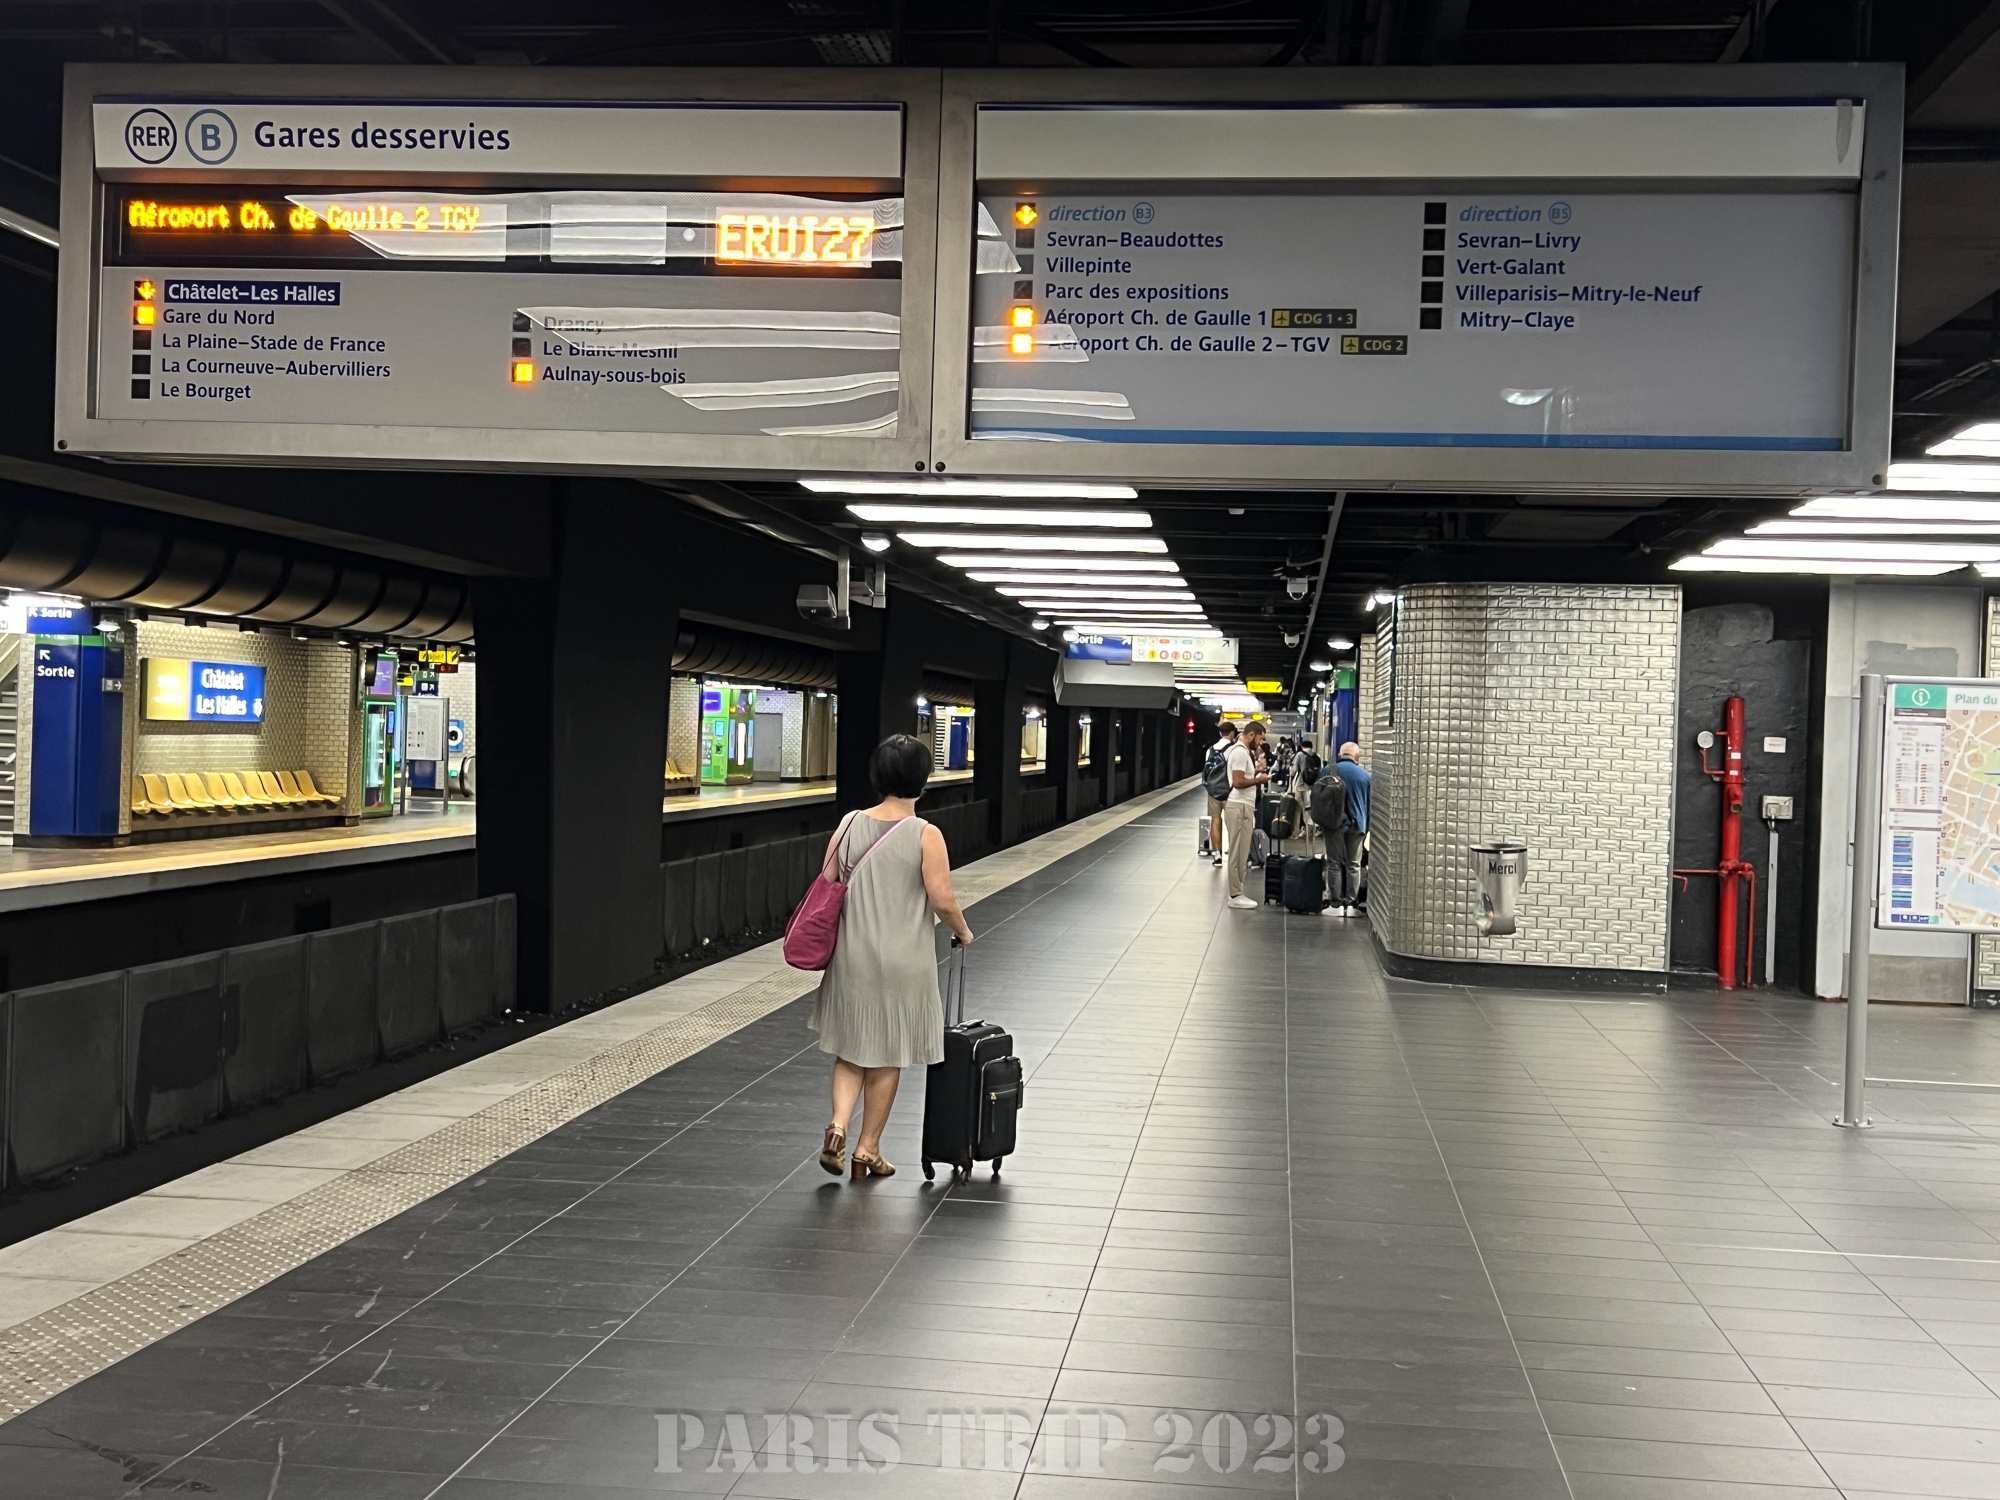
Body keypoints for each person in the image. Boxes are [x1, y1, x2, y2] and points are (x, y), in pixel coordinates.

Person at [811, 733, 974, 1181]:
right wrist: (962, 931)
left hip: (852, 957)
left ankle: (837, 1127)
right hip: (904, 963)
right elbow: (942, 899)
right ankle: (867, 1149)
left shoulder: (848, 824)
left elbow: (828, 880)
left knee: (850, 1050)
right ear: (922, 780)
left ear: (877, 776)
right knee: (887, 1056)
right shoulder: (925, 834)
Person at [1223, 719, 1271, 909]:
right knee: (1238, 852)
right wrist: (1259, 780)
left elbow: (1242, 777)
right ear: (1251, 735)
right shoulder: (1240, 753)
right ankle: (1235, 894)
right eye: (1259, 739)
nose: (1260, 743)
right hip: (1239, 807)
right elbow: (1238, 782)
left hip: (1242, 806)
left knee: (1242, 851)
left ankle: (1237, 891)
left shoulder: (1242, 752)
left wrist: (1256, 771)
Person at [1327, 740, 1372, 915]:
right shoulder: (1365, 776)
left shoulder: (1328, 771)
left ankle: (1335, 904)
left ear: (1340, 754)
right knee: (1354, 864)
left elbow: (1319, 799)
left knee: (1334, 863)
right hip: (1357, 824)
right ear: (1357, 757)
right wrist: (1366, 827)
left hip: (1333, 823)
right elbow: (1369, 805)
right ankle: (1351, 904)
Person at [1201, 720, 1239, 867]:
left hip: (1213, 791)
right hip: (1230, 792)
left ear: (1220, 733)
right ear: (1232, 733)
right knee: (1232, 823)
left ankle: (1217, 855)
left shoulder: (1210, 750)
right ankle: (1232, 852)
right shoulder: (1234, 749)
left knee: (1215, 821)